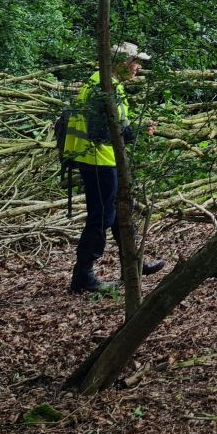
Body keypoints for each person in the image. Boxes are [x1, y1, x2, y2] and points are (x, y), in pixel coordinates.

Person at [65, 42, 166, 294]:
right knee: (102, 217)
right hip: (97, 159)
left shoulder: (105, 81)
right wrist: (137, 130)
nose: (138, 67)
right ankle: (83, 275)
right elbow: (103, 131)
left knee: (122, 210)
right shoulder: (104, 86)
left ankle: (132, 264)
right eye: (135, 62)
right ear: (122, 63)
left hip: (101, 158)